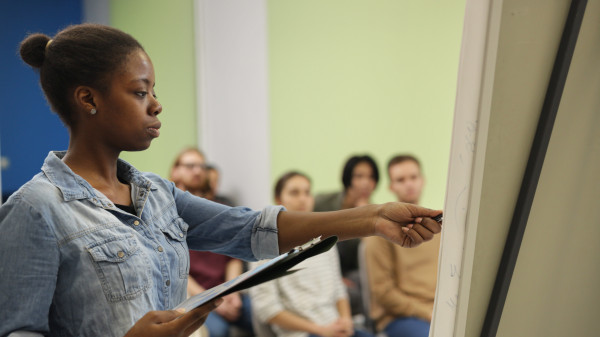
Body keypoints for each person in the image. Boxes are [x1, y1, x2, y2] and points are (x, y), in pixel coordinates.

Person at [0, 24, 441, 337]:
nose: (156, 105)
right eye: (140, 92)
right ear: (87, 99)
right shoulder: (35, 209)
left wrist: (374, 218)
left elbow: (252, 230)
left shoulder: (157, 194)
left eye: (154, 91)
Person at [250, 172, 372, 337]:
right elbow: (267, 309)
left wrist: (346, 321)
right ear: (278, 200)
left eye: (307, 193)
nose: (303, 199)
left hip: (336, 328)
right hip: (303, 333)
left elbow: (338, 290)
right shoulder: (264, 248)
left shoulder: (325, 240)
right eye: (295, 193)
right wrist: (321, 330)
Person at [170, 148, 252, 337]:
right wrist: (210, 299)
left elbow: (233, 257)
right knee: (217, 331)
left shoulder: (220, 209)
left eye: (202, 166)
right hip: (193, 296)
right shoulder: (167, 213)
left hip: (226, 290)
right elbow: (175, 270)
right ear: (175, 171)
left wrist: (232, 291)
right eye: (190, 166)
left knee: (258, 315)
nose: (198, 171)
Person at [364, 155, 441, 337]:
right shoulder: (379, 234)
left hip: (440, 310)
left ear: (422, 181)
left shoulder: (437, 228)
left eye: (413, 177)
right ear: (391, 186)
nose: (409, 184)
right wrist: (427, 313)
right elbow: (383, 291)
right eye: (401, 180)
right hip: (400, 318)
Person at [314, 155, 380, 316]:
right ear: (347, 178)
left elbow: (371, 257)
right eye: (359, 176)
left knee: (364, 281)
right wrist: (335, 278)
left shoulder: (376, 212)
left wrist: (366, 218)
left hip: (352, 273)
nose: (366, 182)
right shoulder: (323, 202)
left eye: (371, 177)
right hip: (322, 270)